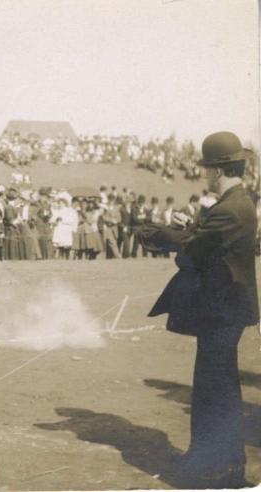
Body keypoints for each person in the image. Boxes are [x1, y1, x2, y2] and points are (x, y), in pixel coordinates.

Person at [139, 131, 258, 488]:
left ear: (216, 172)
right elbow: (205, 240)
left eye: (208, 169)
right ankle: (210, 458)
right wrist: (187, 228)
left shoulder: (231, 208)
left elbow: (196, 246)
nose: (206, 175)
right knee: (213, 386)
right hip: (223, 310)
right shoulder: (237, 204)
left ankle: (219, 468)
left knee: (215, 389)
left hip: (222, 310)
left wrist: (157, 234)